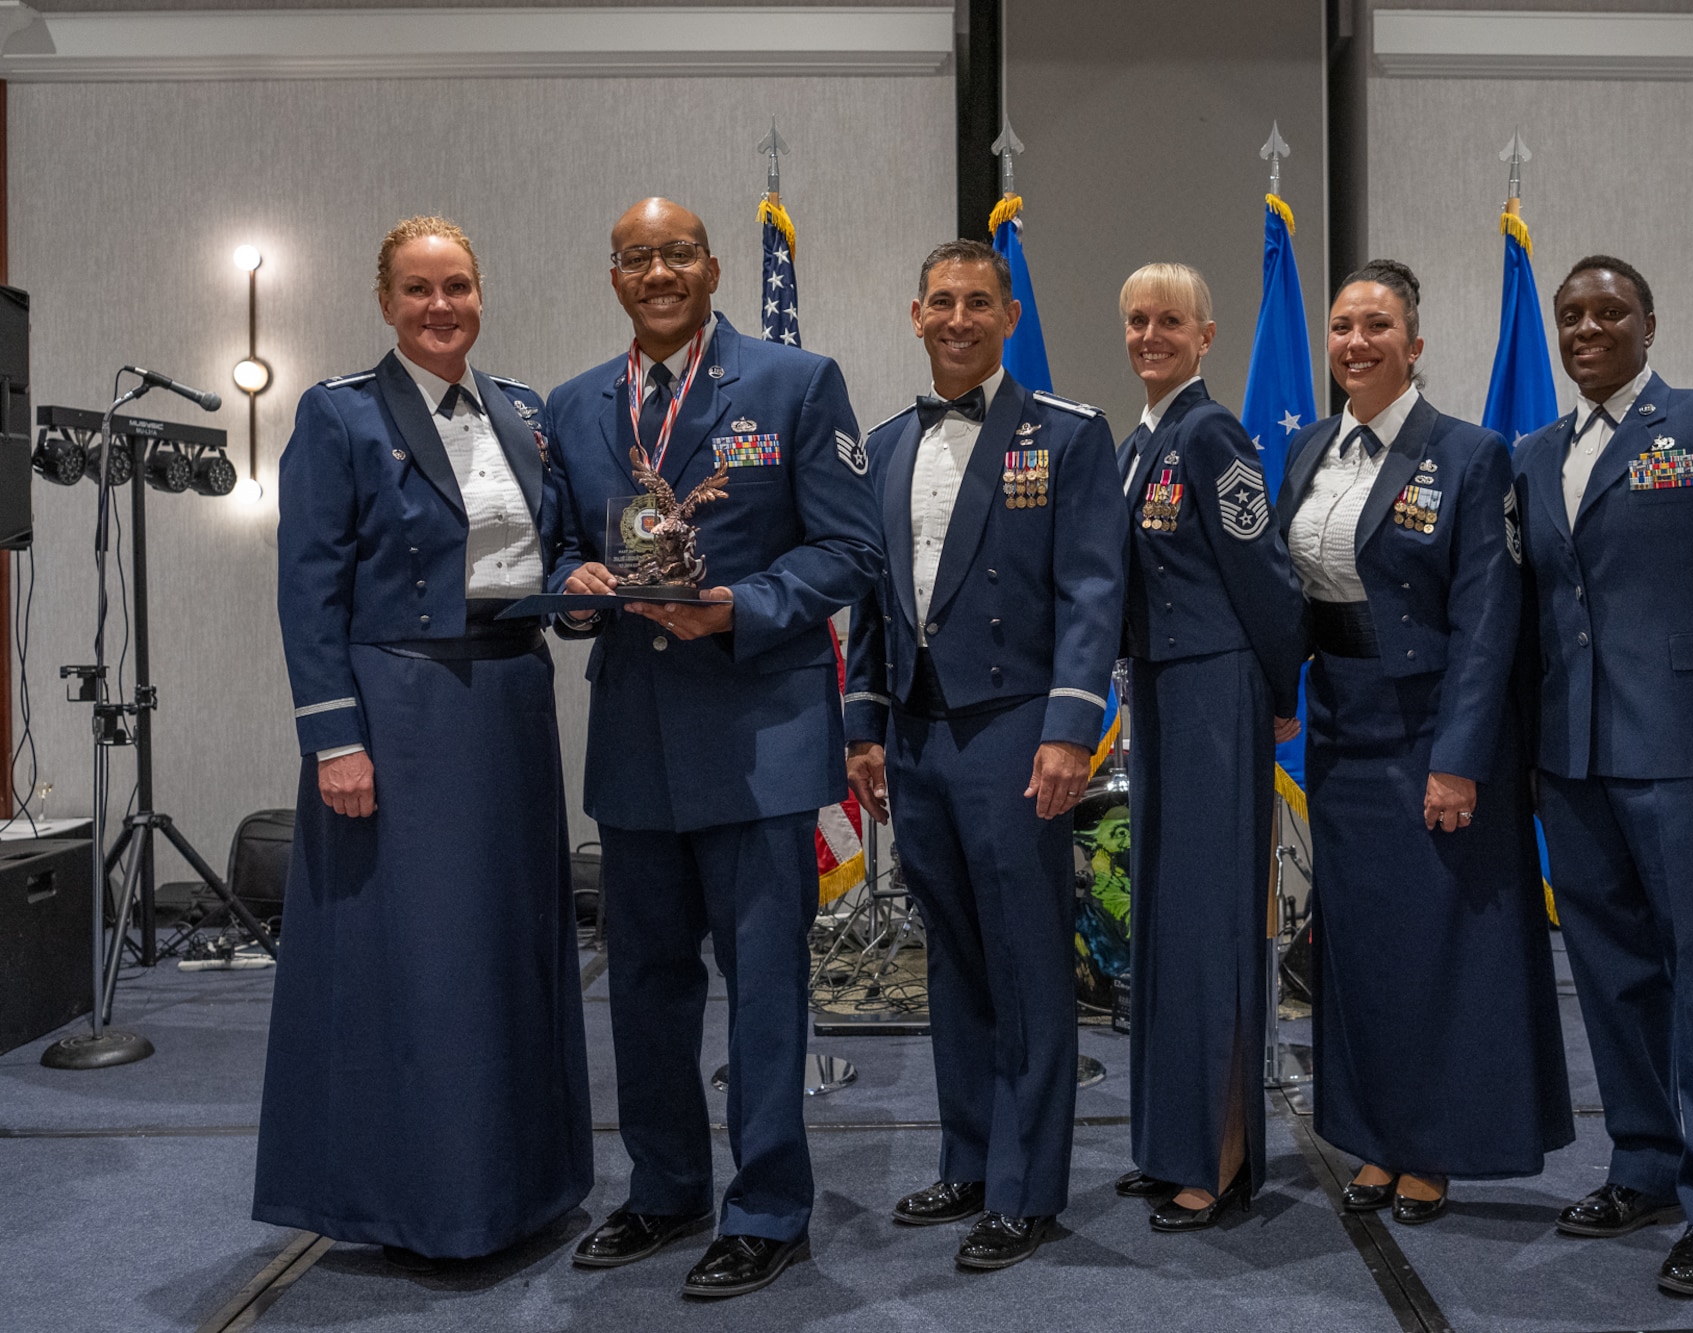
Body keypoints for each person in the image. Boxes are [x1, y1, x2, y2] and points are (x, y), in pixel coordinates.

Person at [541, 198, 882, 1299]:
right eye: (636, 257)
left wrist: (740, 606)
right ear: (614, 276)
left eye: (677, 254)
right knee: (643, 984)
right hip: (635, 739)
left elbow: (849, 549)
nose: (658, 272)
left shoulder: (794, 382)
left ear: (714, 267)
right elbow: (555, 549)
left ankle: (768, 1205)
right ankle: (666, 1187)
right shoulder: (573, 404)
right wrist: (574, 587)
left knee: (765, 987)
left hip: (757, 735)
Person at [259, 216, 591, 1272]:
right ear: (385, 302)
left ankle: (523, 1190)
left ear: (480, 294)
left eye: (456, 286)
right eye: (417, 289)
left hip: (512, 702)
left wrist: (585, 587)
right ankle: (426, 1204)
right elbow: (308, 590)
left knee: (512, 951)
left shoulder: (524, 411)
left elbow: (554, 546)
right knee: (424, 964)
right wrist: (334, 740)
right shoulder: (339, 413)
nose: (439, 306)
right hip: (402, 712)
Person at [1514, 255, 1693, 1296]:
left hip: (1689, 758)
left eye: (1609, 311)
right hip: (1574, 759)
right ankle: (1643, 1163)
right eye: (1570, 315)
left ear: (1648, 322)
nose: (1586, 328)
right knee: (1610, 977)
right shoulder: (1533, 453)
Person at [843, 239, 1125, 1271]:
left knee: (1025, 959)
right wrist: (863, 726)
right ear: (914, 315)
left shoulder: (1066, 434)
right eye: (941, 302)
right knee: (953, 957)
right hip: (916, 732)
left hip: (1015, 726)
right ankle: (967, 1159)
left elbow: (1093, 591)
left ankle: (1025, 1185)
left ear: (1009, 315)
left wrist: (1069, 730)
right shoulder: (882, 443)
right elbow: (870, 597)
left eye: (977, 301)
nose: (957, 318)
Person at [1275, 259, 1572, 1227]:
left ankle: (1433, 1146)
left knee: (1439, 946)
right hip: (1341, 723)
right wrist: (1274, 691)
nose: (1355, 342)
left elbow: (1488, 621)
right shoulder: (1309, 448)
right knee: (1360, 949)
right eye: (1341, 326)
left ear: (1413, 343)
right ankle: (1372, 1135)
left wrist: (1458, 758)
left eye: (1376, 325)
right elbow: (1289, 591)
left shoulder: (1468, 453)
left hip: (1430, 728)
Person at [1109, 263, 1304, 1230]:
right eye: (1138, 320)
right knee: (1163, 926)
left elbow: (1263, 572)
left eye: (1171, 321)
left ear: (1206, 335)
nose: (1151, 336)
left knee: (1212, 925)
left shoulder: (1211, 433)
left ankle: (1220, 1159)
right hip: (1159, 689)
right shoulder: (1138, 441)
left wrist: (1278, 691)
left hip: (1217, 692)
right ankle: (1169, 1140)